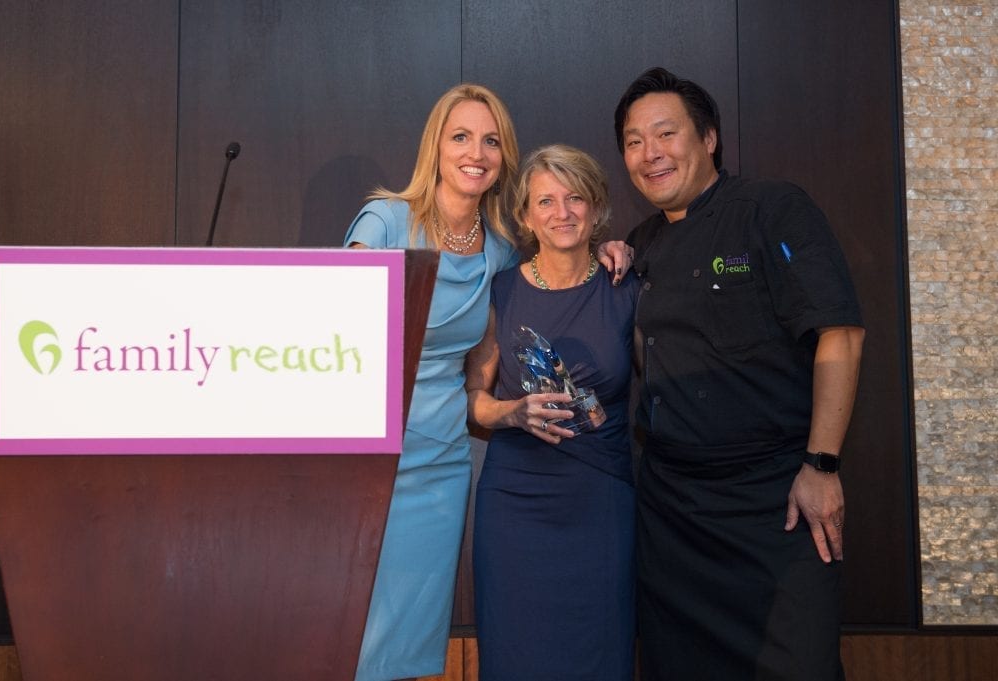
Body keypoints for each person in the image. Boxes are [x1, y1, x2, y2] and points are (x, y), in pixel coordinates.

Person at [344, 85, 631, 681]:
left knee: (408, 641)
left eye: (491, 140)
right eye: (461, 136)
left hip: (442, 459)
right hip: (372, 451)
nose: (476, 152)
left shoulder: (498, 254)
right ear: (437, 148)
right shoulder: (386, 220)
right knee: (352, 632)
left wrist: (609, 245)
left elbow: (553, 265)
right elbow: (342, 328)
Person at [615, 67, 865, 680]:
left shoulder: (773, 209)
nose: (651, 154)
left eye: (666, 133)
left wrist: (822, 464)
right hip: (673, 512)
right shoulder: (640, 242)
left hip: (775, 500)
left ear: (709, 139)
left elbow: (841, 332)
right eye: (633, 141)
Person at [465, 144, 638, 681]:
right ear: (525, 216)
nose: (561, 213)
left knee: (600, 648)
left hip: (600, 499)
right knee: (516, 652)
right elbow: (474, 402)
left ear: (597, 208)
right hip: (516, 502)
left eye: (575, 198)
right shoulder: (502, 290)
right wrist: (513, 413)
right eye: (546, 201)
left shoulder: (627, 286)